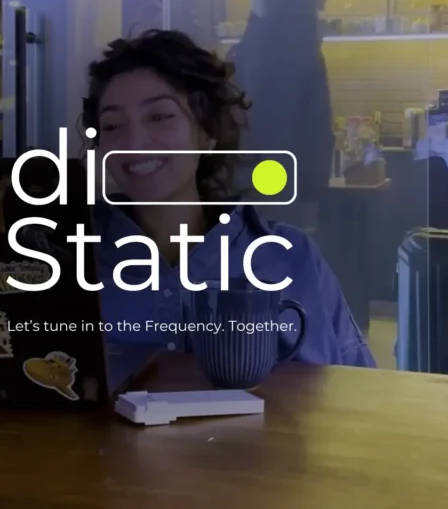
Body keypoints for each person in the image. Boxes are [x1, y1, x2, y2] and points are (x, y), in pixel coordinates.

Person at [84, 29, 375, 367]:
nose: (134, 142)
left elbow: (355, 382)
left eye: (159, 116)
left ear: (207, 133)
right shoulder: (67, 258)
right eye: (112, 125)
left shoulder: (290, 257)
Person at [228, 0, 332, 230]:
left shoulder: (264, 49)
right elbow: (319, 130)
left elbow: (258, 123)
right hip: (283, 186)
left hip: (265, 184)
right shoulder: (302, 44)